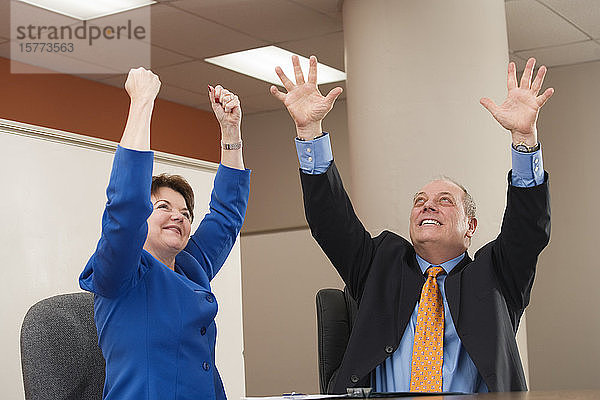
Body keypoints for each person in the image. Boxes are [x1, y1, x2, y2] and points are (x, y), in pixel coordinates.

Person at [271, 55, 552, 393]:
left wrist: (524, 140)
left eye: (445, 201)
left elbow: (528, 229)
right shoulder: (380, 263)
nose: (427, 205)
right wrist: (309, 132)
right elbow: (330, 220)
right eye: (419, 201)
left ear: (470, 226)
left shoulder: (496, 274)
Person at [79, 67, 250, 400]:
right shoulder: (119, 272)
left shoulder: (191, 267)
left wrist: (231, 132)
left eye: (185, 213)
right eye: (163, 208)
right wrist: (141, 103)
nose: (178, 217)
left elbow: (227, 216)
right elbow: (125, 209)